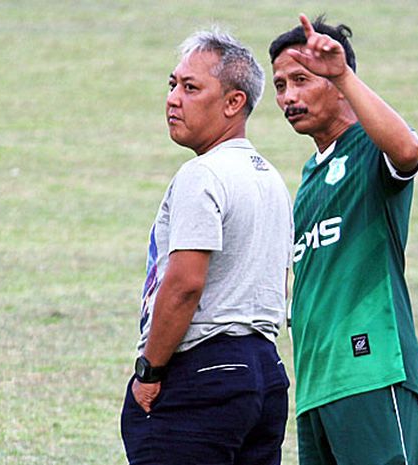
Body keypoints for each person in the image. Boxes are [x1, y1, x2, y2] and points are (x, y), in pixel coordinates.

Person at [120, 29, 293, 465]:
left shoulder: (202, 175)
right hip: (265, 374)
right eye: (173, 84)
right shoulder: (270, 178)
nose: (174, 98)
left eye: (191, 87)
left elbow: (184, 286)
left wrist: (150, 371)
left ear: (234, 103)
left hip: (203, 371)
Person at [269, 14, 418, 465]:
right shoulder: (309, 177)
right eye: (280, 85)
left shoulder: (369, 149)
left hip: (371, 372)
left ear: (339, 82)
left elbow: (409, 152)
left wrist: (343, 73)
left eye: (301, 79)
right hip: (316, 386)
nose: (289, 97)